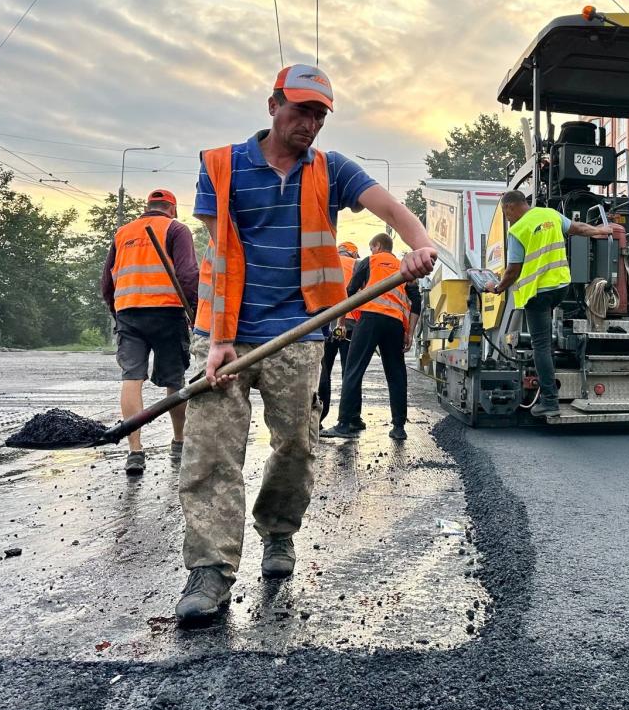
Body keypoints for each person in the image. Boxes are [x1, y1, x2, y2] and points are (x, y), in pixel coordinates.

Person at [176, 63, 436, 626]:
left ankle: (278, 532)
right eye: (301, 111)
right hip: (226, 334)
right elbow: (217, 256)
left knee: (295, 444)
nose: (310, 124)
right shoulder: (221, 166)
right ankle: (210, 570)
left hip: (299, 333)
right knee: (212, 450)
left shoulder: (332, 170)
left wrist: (419, 246)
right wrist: (218, 338)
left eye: (319, 115)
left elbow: (392, 210)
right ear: (273, 105)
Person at [485, 191, 613, 419]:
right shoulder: (551, 214)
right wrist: (602, 231)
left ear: (510, 207)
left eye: (505, 214)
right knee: (547, 340)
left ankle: (549, 401)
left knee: (541, 346)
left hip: (537, 293)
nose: (507, 219)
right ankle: (550, 389)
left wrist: (497, 288)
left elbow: (513, 270)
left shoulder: (517, 230)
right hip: (560, 287)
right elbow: (580, 229)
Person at [100, 188, 198, 476]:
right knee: (174, 380)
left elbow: (107, 281)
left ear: (147, 207)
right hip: (167, 313)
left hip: (129, 312)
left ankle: (135, 451)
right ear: (173, 209)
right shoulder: (176, 229)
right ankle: (179, 443)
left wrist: (116, 311)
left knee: (132, 378)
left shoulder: (123, 233)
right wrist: (194, 311)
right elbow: (188, 274)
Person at [321, 232, 422, 441]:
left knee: (353, 369)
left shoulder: (370, 261)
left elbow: (349, 292)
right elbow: (416, 301)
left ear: (376, 246)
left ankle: (344, 424)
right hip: (394, 324)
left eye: (372, 247)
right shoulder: (404, 267)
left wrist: (340, 323)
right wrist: (409, 333)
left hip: (369, 320)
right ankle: (398, 427)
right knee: (396, 374)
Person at [317, 240, 359, 422]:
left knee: (322, 371)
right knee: (350, 372)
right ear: (353, 253)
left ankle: (317, 419)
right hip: (349, 324)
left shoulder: (326, 262)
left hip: (325, 323)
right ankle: (351, 418)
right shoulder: (358, 264)